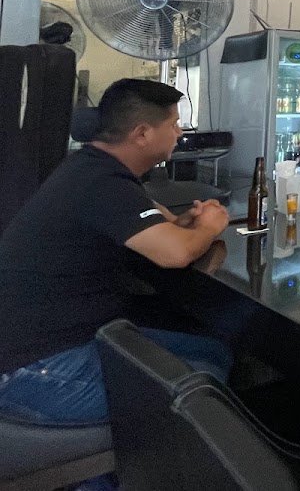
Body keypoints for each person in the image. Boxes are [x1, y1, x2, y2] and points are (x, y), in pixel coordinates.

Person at [0, 78, 231, 427]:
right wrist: (210, 226)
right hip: (34, 368)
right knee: (202, 381)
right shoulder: (101, 182)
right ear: (142, 134)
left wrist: (186, 224)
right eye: (173, 124)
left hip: (72, 336)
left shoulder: (93, 166)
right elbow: (175, 254)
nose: (180, 132)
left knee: (212, 351)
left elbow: (161, 226)